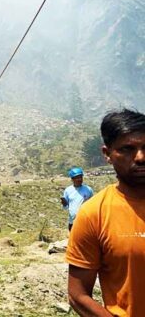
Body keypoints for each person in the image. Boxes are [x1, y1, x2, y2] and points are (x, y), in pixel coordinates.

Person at [66, 109, 145, 316]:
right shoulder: (94, 214)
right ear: (107, 154)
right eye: (127, 149)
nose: (140, 157)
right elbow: (78, 294)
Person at [61, 167, 93, 231]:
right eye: (77, 177)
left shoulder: (88, 189)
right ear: (72, 179)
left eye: (81, 177)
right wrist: (64, 204)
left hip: (86, 221)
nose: (79, 179)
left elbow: (93, 205)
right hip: (73, 222)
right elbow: (66, 207)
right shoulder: (68, 190)